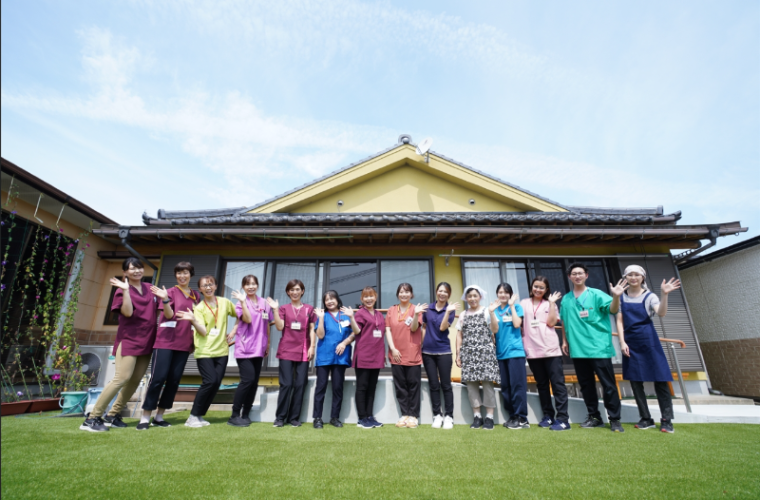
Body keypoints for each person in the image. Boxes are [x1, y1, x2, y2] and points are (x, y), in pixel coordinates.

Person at [81, 258, 160, 432]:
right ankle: (92, 418)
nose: (137, 271)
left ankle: (112, 415)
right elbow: (128, 312)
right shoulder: (121, 291)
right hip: (129, 340)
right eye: (132, 269)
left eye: (139, 268)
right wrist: (125, 291)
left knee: (135, 380)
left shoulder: (149, 289)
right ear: (125, 272)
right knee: (121, 378)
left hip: (147, 341)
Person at [614, 265, 680, 434]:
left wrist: (664, 295)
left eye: (637, 275)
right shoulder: (621, 297)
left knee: (660, 380)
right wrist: (622, 342)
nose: (633, 278)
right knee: (635, 382)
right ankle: (645, 418)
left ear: (642, 278)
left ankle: (666, 420)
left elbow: (661, 313)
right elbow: (619, 321)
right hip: (630, 343)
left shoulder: (650, 296)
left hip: (649, 342)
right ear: (625, 277)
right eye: (630, 275)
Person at [560, 262, 624, 433]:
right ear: (569, 277)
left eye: (580, 273)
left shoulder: (597, 294)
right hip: (578, 349)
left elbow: (613, 310)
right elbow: (564, 321)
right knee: (586, 385)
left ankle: (615, 419)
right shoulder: (566, 299)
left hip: (598, 347)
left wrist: (616, 296)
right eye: (574, 273)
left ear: (586, 275)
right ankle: (594, 416)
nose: (577, 276)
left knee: (608, 384)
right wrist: (565, 341)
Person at [138, 262, 201, 429]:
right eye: (179, 273)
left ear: (191, 275)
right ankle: (145, 417)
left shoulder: (196, 296)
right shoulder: (170, 292)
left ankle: (159, 416)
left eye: (185, 273)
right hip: (165, 341)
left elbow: (198, 319)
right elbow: (169, 315)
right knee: (158, 379)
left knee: (173, 381)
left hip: (184, 343)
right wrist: (165, 299)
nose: (182, 276)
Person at [185, 275, 239, 428]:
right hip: (205, 351)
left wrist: (234, 330)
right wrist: (193, 320)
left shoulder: (224, 302)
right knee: (210, 381)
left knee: (216, 384)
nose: (208, 287)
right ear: (200, 289)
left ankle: (199, 415)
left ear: (216, 286)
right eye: (204, 285)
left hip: (222, 350)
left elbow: (240, 315)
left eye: (210, 284)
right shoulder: (199, 308)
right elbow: (202, 331)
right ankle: (193, 416)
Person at [227, 275, 278, 427]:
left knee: (254, 382)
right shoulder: (240, 303)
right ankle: (234, 414)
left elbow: (267, 323)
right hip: (245, 348)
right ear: (243, 287)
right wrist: (243, 302)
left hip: (259, 347)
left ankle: (246, 414)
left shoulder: (264, 303)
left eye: (253, 284)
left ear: (258, 285)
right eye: (247, 284)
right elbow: (248, 319)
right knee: (247, 380)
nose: (251, 287)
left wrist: (268, 344)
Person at [520, 276, 569, 431]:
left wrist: (553, 303)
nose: (538, 290)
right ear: (531, 287)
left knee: (557, 384)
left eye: (542, 287)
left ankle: (562, 419)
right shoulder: (523, 303)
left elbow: (552, 323)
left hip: (550, 349)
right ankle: (548, 416)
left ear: (546, 290)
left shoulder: (550, 304)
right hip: (532, 351)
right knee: (542, 385)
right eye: (536, 286)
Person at [311, 290, 359, 429]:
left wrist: (344, 343)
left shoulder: (345, 315)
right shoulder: (323, 315)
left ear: (337, 300)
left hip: (340, 357)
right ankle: (317, 418)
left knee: (338, 388)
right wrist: (320, 319)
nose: (330, 301)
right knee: (321, 387)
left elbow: (354, 334)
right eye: (327, 300)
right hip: (324, 356)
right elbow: (320, 335)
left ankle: (334, 417)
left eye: (332, 299)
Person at [455, 285, 500, 431]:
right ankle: (477, 416)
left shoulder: (487, 311)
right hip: (468, 353)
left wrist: (492, 313)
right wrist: (458, 354)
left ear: (480, 296)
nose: (472, 298)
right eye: (470, 296)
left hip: (485, 352)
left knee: (488, 384)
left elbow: (495, 330)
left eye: (475, 295)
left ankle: (489, 417)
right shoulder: (463, 315)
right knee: (471, 385)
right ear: (466, 298)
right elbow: (459, 335)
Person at [273, 279, 315, 428]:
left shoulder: (309, 309)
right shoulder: (283, 308)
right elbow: (279, 327)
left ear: (302, 291)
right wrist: (275, 310)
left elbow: (312, 329)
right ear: (288, 292)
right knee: (286, 383)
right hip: (286, 350)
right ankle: (280, 417)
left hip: (304, 350)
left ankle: (294, 417)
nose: (295, 292)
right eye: (292, 290)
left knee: (300, 384)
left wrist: (312, 347)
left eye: (298, 289)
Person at [386, 283, 424, 429]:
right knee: (400, 386)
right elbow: (388, 330)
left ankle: (413, 416)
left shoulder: (416, 309)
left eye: (407, 292)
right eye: (401, 292)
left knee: (413, 385)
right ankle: (404, 414)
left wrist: (415, 314)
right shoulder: (391, 310)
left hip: (412, 353)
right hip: (396, 354)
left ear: (411, 294)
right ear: (397, 294)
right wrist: (393, 349)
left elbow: (414, 328)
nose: (404, 294)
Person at [421, 282, 459, 430]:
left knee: (446, 385)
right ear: (436, 292)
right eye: (440, 291)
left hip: (444, 351)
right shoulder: (428, 309)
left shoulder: (450, 310)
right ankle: (437, 415)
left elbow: (443, 327)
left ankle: (449, 416)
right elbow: (424, 328)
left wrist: (448, 311)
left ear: (448, 294)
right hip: (428, 352)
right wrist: (421, 345)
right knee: (433, 385)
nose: (442, 293)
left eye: (446, 292)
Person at [493, 283, 528, 429]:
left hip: (515, 352)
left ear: (510, 294)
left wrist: (512, 306)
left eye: (506, 292)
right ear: (497, 294)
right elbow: (493, 330)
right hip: (501, 353)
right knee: (506, 387)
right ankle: (512, 415)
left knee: (517, 385)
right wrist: (490, 312)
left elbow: (516, 324)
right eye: (500, 292)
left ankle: (522, 418)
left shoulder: (517, 307)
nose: (503, 295)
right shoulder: (494, 310)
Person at [353, 286, 386, 429]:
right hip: (364, 355)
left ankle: (369, 416)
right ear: (362, 299)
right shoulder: (360, 313)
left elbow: (381, 335)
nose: (368, 299)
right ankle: (361, 418)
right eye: (365, 296)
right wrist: (350, 317)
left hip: (377, 355)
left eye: (371, 296)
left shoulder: (379, 315)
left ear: (376, 297)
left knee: (372, 388)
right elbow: (356, 331)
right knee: (362, 387)